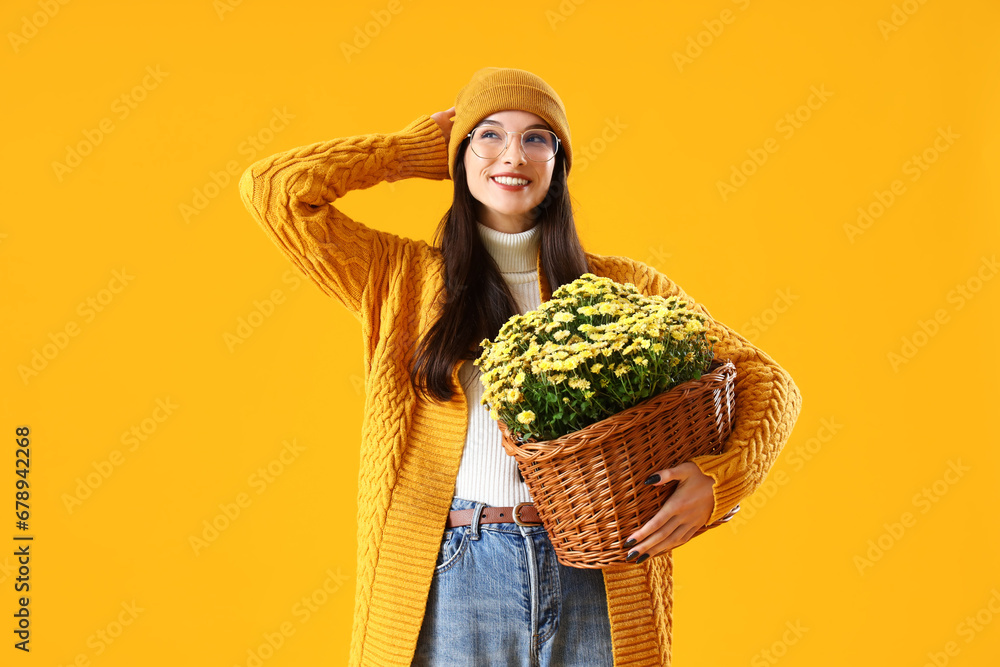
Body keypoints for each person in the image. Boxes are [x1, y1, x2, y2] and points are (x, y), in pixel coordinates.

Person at [238, 66, 802, 667]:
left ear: (558, 162)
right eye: (488, 135)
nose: (514, 154)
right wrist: (407, 151)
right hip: (451, 576)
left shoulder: (624, 286)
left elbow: (769, 380)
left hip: (596, 571)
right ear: (460, 156)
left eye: (538, 138)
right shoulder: (399, 278)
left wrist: (721, 479)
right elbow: (272, 191)